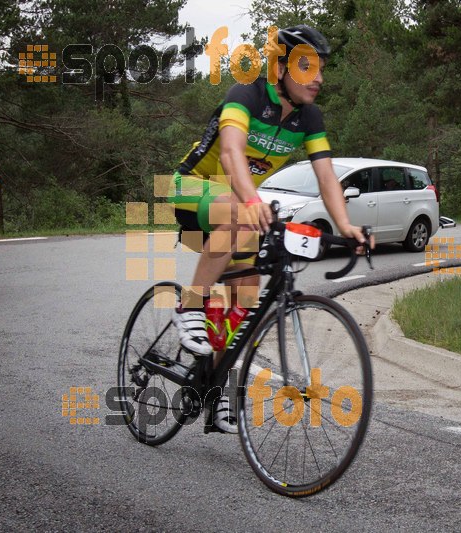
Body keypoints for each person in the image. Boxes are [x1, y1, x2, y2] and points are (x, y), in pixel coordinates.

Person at [168, 25, 372, 433]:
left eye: (320, 69)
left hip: (239, 202)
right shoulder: (246, 94)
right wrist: (253, 200)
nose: (318, 78)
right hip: (193, 190)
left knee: (243, 294)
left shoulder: (308, 116)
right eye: (307, 67)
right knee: (242, 215)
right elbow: (230, 153)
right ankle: (189, 307)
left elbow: (327, 176)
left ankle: (215, 387)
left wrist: (346, 225)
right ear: (279, 67)